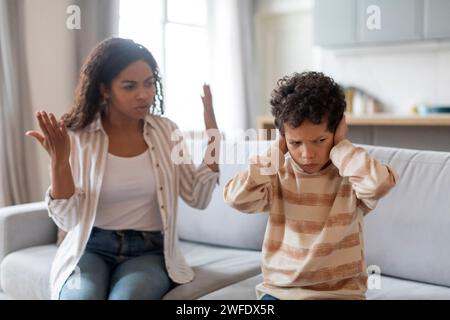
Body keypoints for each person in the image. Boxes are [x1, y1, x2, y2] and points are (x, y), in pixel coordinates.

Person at [26, 37, 220, 300]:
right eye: (129, 86)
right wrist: (59, 163)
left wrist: (213, 136)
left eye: (149, 84)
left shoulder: (166, 131)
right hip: (89, 247)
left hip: (148, 251)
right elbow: (68, 220)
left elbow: (197, 197)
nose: (144, 94)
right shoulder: (80, 136)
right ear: (105, 89)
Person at [223, 71, 397, 300]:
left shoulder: (351, 173)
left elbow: (378, 185)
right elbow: (236, 198)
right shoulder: (276, 174)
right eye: (295, 143)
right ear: (283, 137)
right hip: (280, 293)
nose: (307, 154)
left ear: (337, 132)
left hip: (340, 295)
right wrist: (276, 152)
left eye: (320, 141)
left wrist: (343, 147)